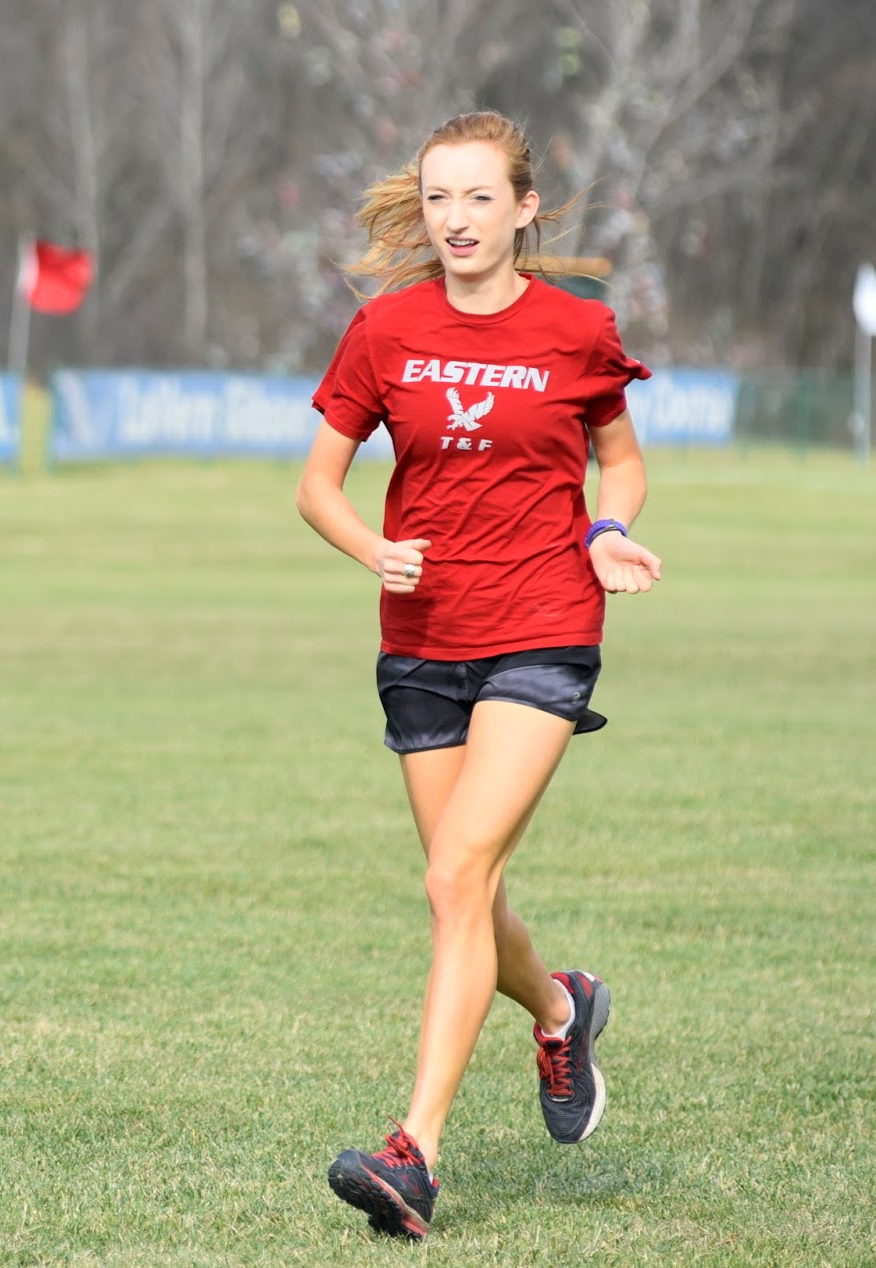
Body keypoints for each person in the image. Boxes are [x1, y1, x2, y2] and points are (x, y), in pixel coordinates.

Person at [296, 110, 661, 1239]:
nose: (454, 219)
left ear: (523, 207)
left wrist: (605, 529)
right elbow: (318, 484)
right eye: (437, 198)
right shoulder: (384, 330)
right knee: (471, 889)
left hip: (546, 623)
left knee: (455, 875)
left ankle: (415, 1152)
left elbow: (621, 458)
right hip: (419, 637)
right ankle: (560, 1006)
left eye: (476, 198)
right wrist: (371, 546)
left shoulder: (577, 329)